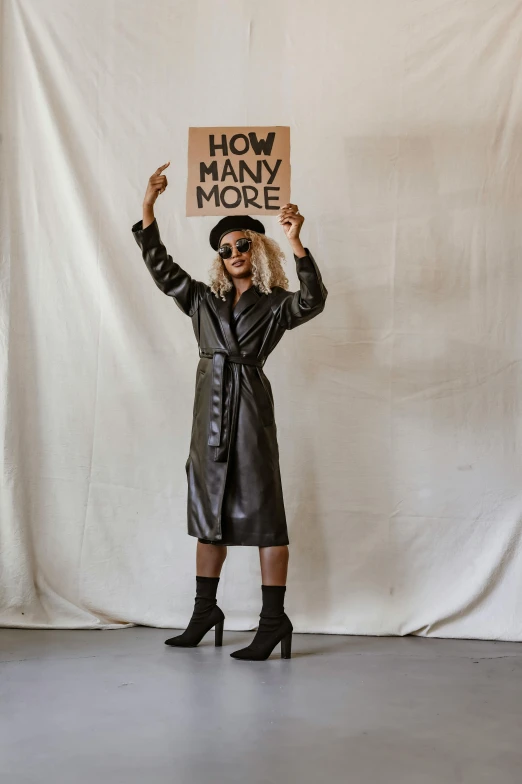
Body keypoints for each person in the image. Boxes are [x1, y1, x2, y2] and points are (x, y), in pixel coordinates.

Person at [132, 162, 328, 660]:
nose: (235, 253)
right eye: (225, 249)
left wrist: (297, 240)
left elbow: (313, 301)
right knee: (207, 512)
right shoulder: (200, 300)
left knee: (266, 513)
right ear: (219, 259)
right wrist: (148, 210)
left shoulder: (276, 303)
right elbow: (163, 270)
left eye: (243, 245)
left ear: (257, 250)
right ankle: (205, 611)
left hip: (249, 413)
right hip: (208, 417)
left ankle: (273, 620)